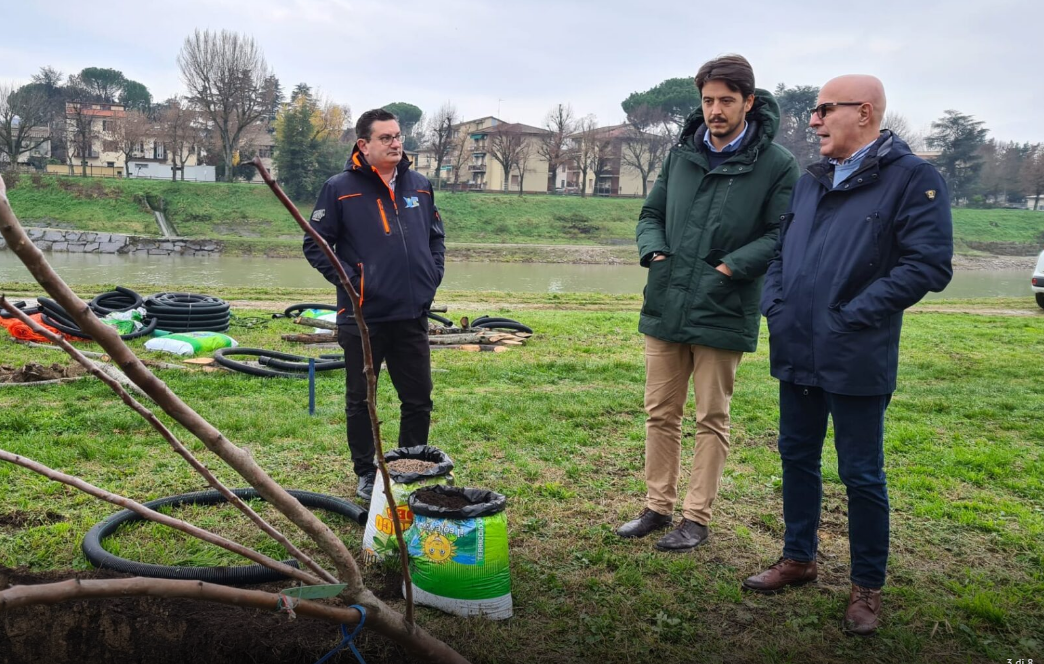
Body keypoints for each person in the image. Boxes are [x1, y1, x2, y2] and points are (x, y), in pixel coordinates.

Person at [742, 75, 953, 636]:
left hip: (857, 353)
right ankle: (799, 558)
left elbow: (929, 265)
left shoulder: (912, 178)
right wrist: (776, 305)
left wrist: (852, 315)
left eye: (821, 110)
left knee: (861, 474)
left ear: (864, 112)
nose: (812, 120)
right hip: (797, 347)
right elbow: (784, 251)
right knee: (796, 456)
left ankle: (866, 587)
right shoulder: (812, 181)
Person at [619, 55, 799, 551]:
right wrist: (652, 250)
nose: (715, 110)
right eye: (708, 100)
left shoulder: (777, 164)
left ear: (749, 102)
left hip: (723, 303)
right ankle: (657, 507)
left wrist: (728, 268)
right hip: (666, 300)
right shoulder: (681, 155)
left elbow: (780, 234)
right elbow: (650, 212)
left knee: (710, 417)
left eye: (725, 100)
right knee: (660, 411)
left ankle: (696, 517)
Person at [303, 108, 445, 501]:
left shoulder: (420, 185)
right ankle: (367, 473)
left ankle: (409, 468)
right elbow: (315, 244)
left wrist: (431, 276)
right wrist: (354, 283)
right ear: (363, 145)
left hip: (412, 314)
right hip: (362, 317)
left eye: (398, 136)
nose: (396, 143)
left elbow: (436, 237)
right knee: (362, 401)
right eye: (386, 138)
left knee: (418, 400)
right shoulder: (340, 188)